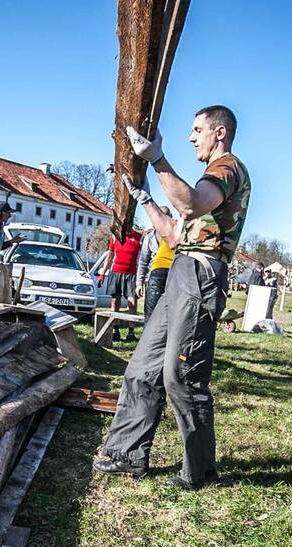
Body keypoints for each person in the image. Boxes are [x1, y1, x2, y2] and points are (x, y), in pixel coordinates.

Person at [93, 105, 250, 490]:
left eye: (197, 129)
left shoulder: (227, 168)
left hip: (201, 274)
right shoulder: (208, 177)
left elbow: (189, 204)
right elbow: (176, 234)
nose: (190, 136)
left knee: (182, 375)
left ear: (220, 133)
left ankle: (200, 474)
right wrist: (144, 199)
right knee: (143, 368)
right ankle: (127, 455)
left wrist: (158, 158)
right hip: (182, 267)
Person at [97, 230, 143, 341]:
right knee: (115, 301)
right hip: (116, 272)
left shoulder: (139, 237)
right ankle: (115, 330)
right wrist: (102, 273)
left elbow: (143, 259)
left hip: (132, 273)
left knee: (132, 303)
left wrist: (142, 278)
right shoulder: (115, 236)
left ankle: (131, 332)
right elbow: (110, 256)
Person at [135, 206, 176, 322]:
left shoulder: (175, 234)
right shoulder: (149, 237)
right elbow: (143, 261)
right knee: (151, 314)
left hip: (172, 276)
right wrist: (139, 283)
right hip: (153, 277)